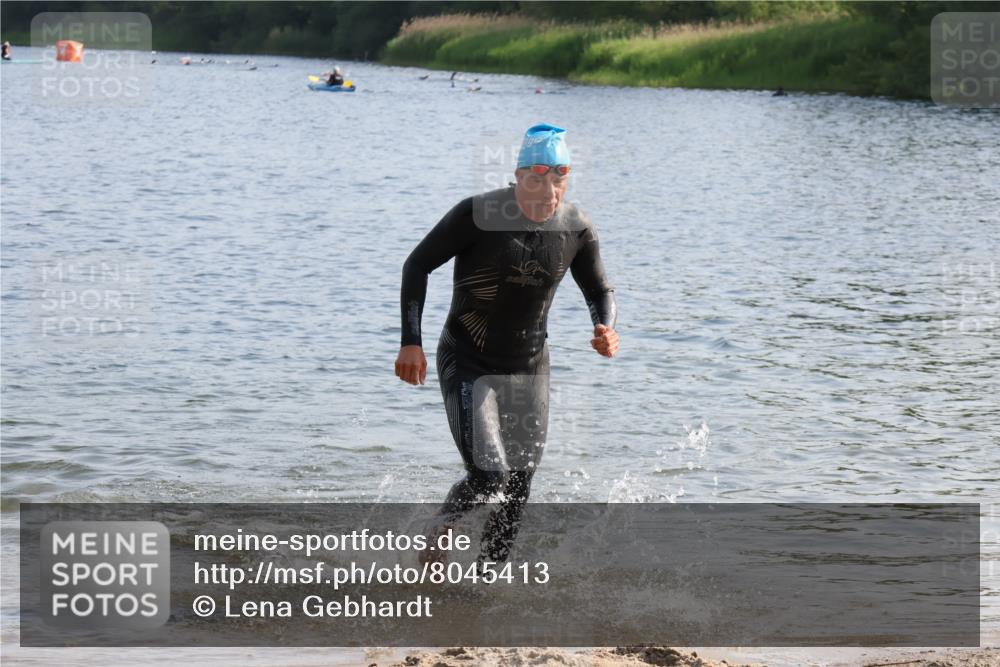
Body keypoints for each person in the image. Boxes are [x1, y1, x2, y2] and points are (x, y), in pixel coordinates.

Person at [396, 123, 619, 568]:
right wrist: (411, 343)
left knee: (518, 486)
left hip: (529, 368)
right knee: (489, 475)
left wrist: (605, 326)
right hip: (468, 359)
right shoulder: (476, 215)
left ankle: (487, 582)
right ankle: (440, 529)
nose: (548, 192)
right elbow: (417, 264)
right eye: (536, 180)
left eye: (558, 180)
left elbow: (599, 290)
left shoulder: (576, 228)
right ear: (517, 176)